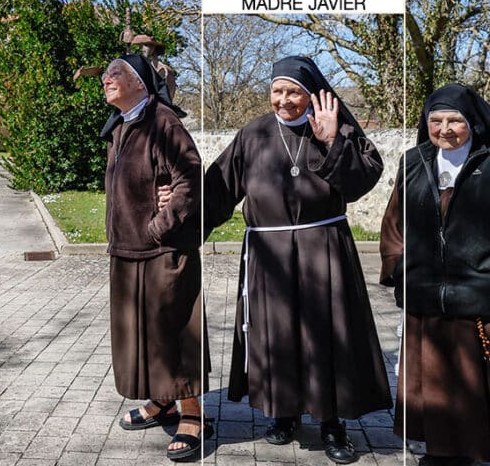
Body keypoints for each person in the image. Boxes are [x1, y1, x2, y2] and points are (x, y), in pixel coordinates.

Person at [197, 55, 392, 464]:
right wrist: (178, 209)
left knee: (327, 337)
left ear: (311, 95)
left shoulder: (333, 129)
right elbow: (215, 192)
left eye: (293, 92)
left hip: (324, 251)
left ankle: (333, 423)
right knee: (278, 335)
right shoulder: (252, 135)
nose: (284, 101)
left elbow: (363, 180)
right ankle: (284, 413)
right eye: (277, 92)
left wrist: (331, 140)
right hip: (270, 256)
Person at [100, 53, 210, 461]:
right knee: (142, 336)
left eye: (116, 74)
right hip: (128, 251)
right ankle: (162, 402)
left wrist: (159, 224)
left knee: (174, 333)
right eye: (107, 75)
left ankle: (193, 414)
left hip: (163, 251)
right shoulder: (121, 127)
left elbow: (190, 177)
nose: (106, 80)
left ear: (140, 84)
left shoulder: (163, 122)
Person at [380, 83, 490, 466]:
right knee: (431, 379)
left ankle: (474, 449)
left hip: (475, 292)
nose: (445, 128)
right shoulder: (413, 161)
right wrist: (398, 270)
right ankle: (441, 452)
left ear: (473, 123)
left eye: (455, 120)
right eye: (436, 120)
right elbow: (394, 222)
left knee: (470, 379)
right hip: (424, 291)